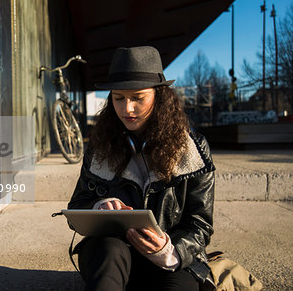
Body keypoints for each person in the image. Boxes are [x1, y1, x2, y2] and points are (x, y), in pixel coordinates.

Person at [68, 46, 215, 291]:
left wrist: (170, 250)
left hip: (171, 259)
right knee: (107, 252)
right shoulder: (100, 146)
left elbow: (200, 223)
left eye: (137, 98)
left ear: (159, 97)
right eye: (119, 98)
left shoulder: (193, 149)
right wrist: (97, 207)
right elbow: (77, 207)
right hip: (112, 254)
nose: (127, 108)